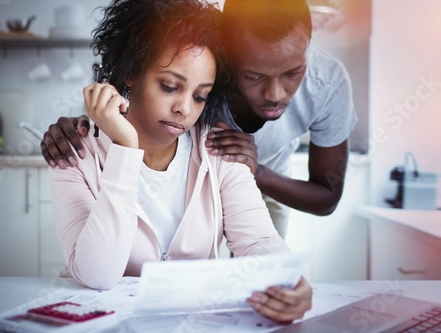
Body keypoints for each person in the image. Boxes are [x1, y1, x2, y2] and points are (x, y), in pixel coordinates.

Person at [49, 0, 312, 323]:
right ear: (130, 73)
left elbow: (257, 240)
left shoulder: (217, 149)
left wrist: (287, 279)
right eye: (170, 86)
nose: (185, 109)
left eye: (200, 95)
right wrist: (126, 147)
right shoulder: (74, 152)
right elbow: (97, 275)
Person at [41, 0, 357, 239]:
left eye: (292, 72)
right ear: (227, 59)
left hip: (271, 178)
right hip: (202, 177)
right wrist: (84, 125)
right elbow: (142, 96)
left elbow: (326, 198)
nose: (275, 94)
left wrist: (256, 172)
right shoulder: (207, 68)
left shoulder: (327, 83)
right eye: (254, 75)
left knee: (260, 272)